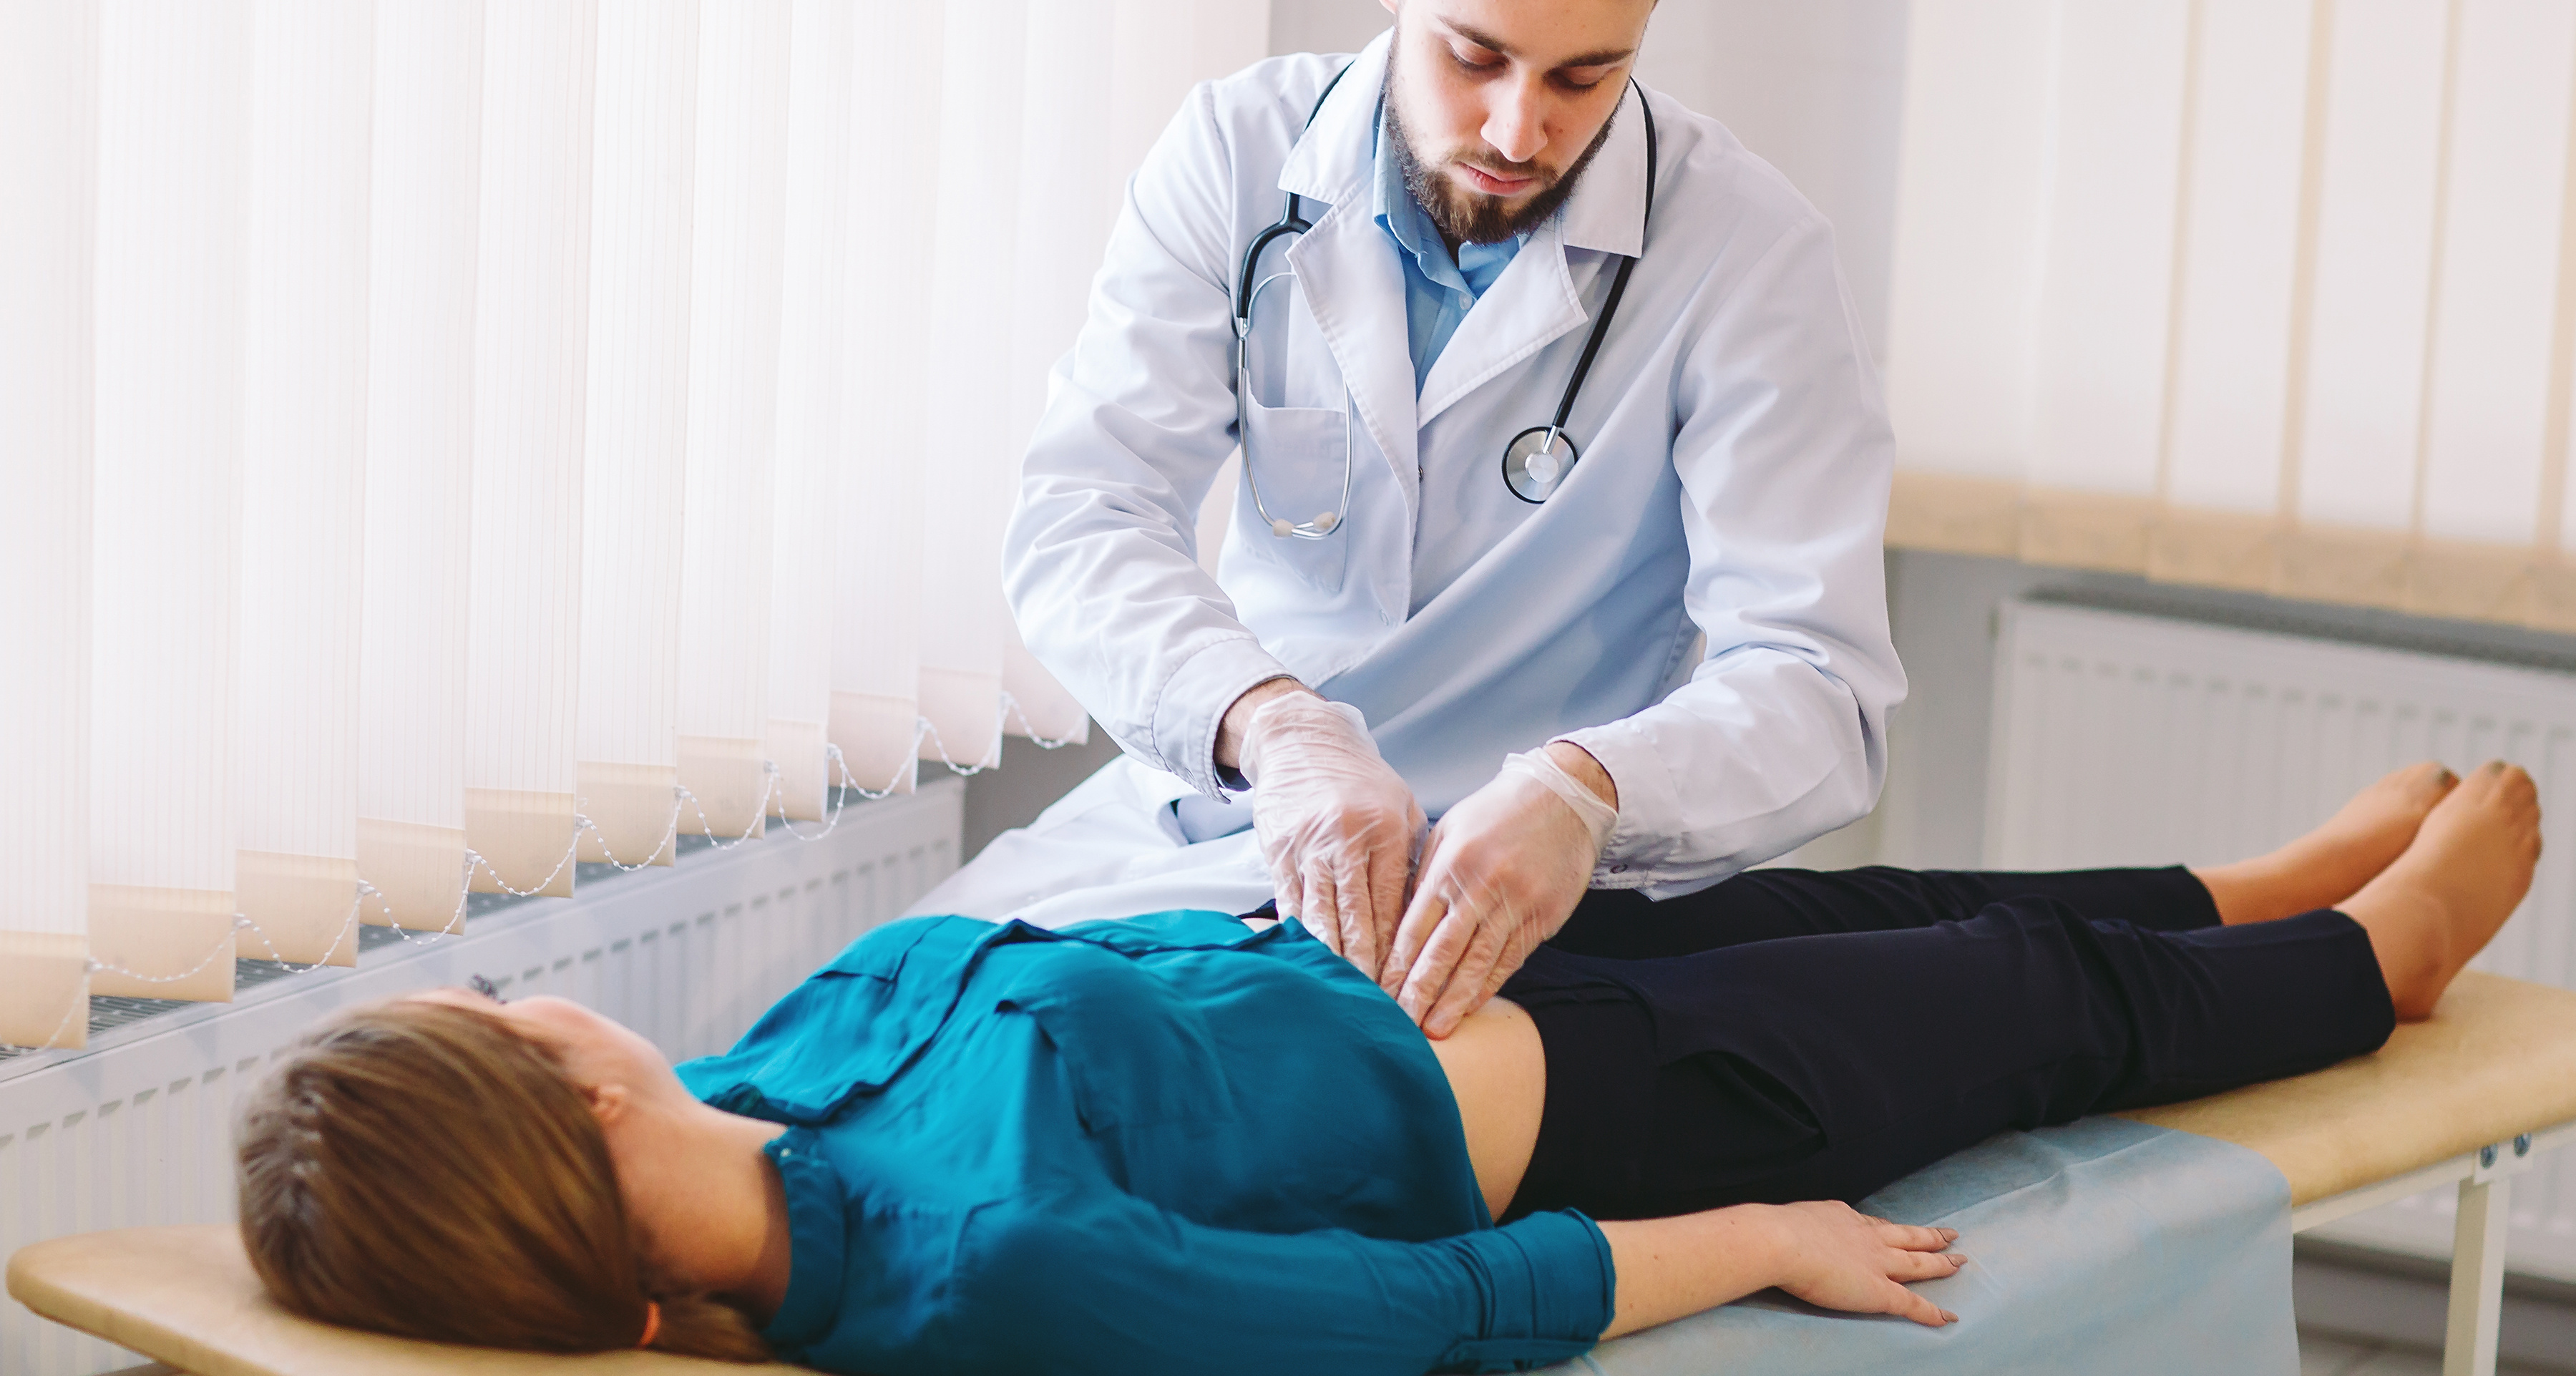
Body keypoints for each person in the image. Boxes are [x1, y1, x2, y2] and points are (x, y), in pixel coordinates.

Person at [234, 759, 2539, 1374]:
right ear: (568, 1102)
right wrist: (1759, 1236)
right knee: (2039, 1006)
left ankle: (2250, 878)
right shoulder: (982, 1274)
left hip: (1460, 951)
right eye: (494, 1022)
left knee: (1890, 901)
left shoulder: (745, 1083)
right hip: (1638, 1101)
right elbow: (1425, 1314)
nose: (530, 994)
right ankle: (2377, 963)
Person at [947, 0, 1903, 1038]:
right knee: (872, 1023)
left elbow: (1814, 682)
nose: (1520, 131)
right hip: (1223, 810)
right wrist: (1274, 724)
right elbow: (1084, 517)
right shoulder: (1237, 156)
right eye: (1476, 54)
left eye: (1585, 77)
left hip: (1509, 893)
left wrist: (1589, 789)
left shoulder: (1749, 252)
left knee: (1113, 1090)